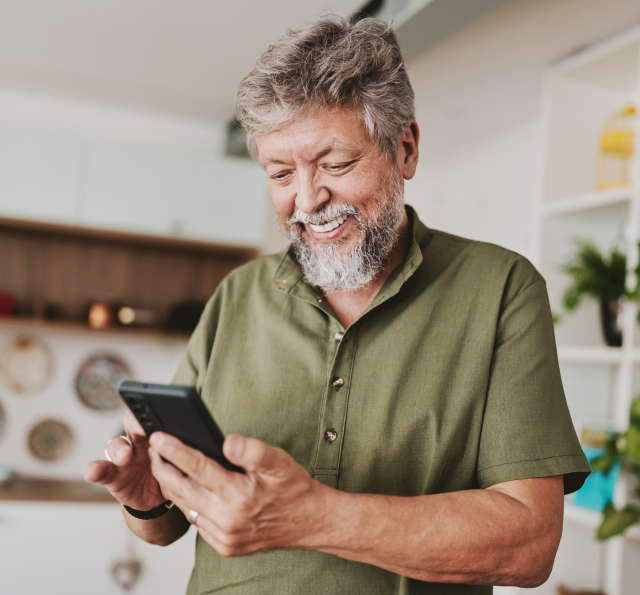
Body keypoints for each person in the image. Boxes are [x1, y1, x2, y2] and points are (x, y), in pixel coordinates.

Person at [84, 15, 591, 595]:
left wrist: (317, 516)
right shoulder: (236, 295)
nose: (307, 199)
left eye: (335, 164)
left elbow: (529, 545)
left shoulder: (500, 288)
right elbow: (170, 524)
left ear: (405, 149)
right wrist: (148, 503)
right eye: (280, 173)